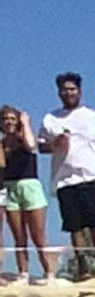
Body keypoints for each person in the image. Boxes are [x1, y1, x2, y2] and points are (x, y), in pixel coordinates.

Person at [39, 72, 95, 281]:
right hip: (65, 179)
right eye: (64, 90)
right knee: (74, 226)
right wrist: (54, 144)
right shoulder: (51, 118)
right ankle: (83, 266)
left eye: (72, 89)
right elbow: (40, 146)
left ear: (80, 91)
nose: (68, 93)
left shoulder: (93, 117)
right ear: (59, 93)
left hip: (91, 177)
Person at [0, 104, 57, 281]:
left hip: (30, 185)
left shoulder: (23, 138)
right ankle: (23, 272)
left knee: (38, 235)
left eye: (12, 119)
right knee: (19, 236)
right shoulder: (1, 144)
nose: (8, 122)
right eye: (5, 119)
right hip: (10, 187)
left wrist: (25, 123)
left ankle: (49, 272)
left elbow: (32, 146)